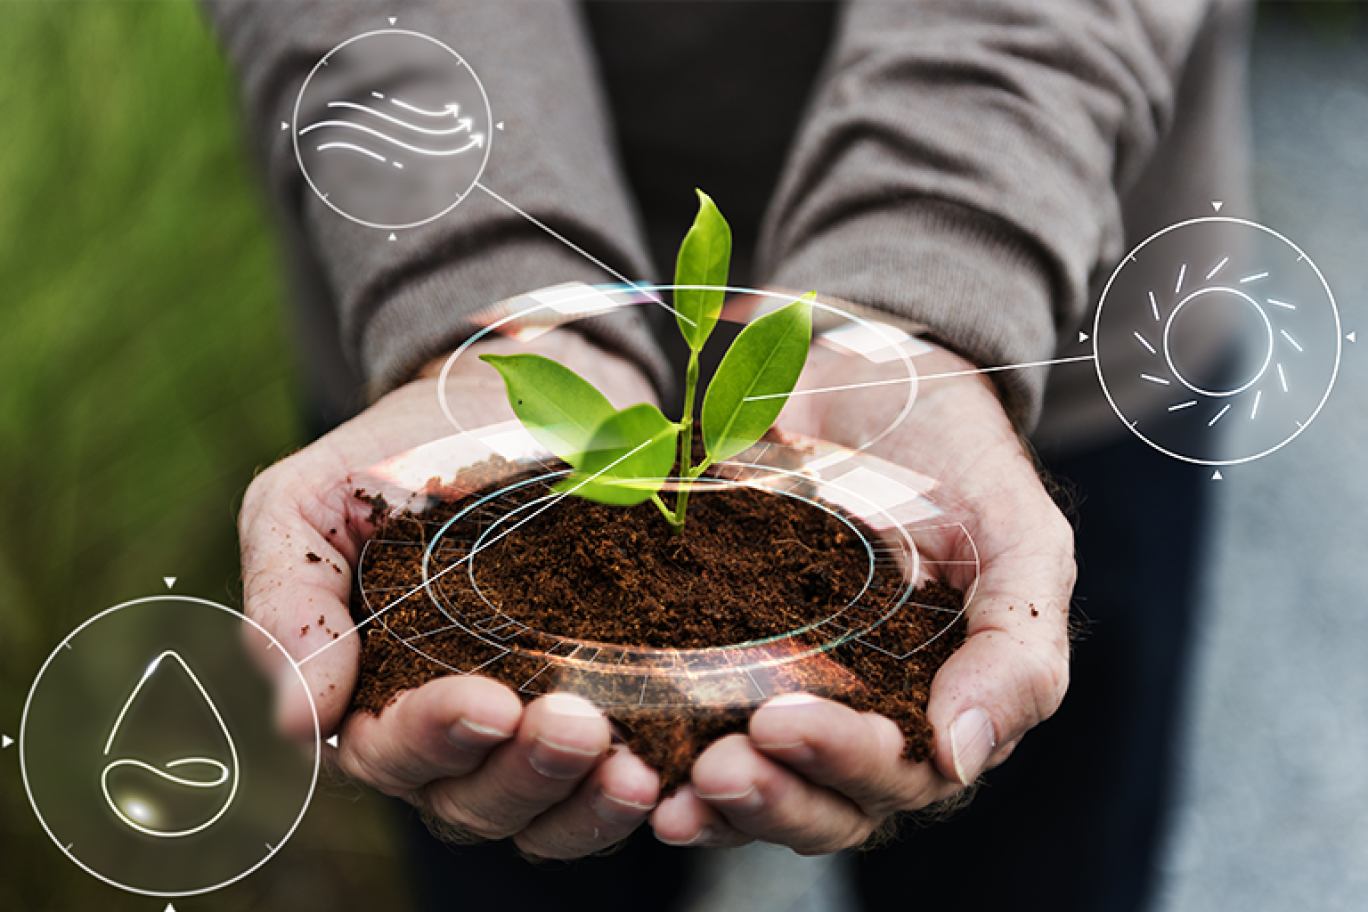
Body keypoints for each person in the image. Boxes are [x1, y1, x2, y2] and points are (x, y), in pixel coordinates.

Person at [207, 1, 1252, 908]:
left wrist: (940, 258)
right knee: (509, 812)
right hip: (438, 340)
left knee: (1029, 853)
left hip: (1035, 289)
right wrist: (480, 274)